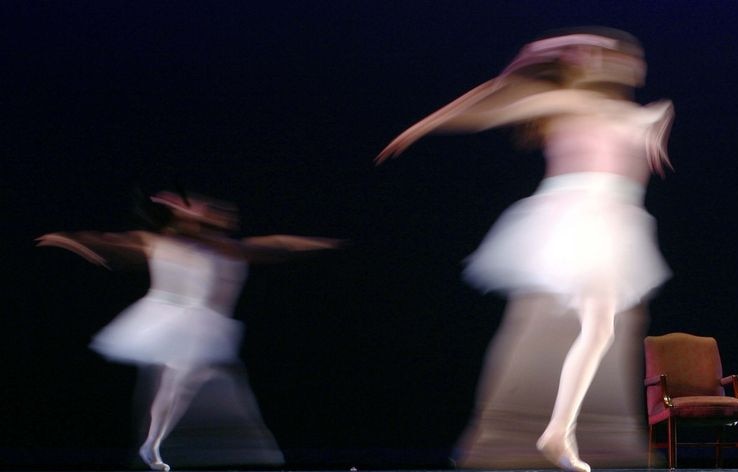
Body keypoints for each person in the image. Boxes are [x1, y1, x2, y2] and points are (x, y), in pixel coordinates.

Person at [377, 27, 673, 472]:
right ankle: (551, 432)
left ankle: (557, 433)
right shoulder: (569, 103)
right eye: (609, 56)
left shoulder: (646, 113)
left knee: (600, 331)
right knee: (590, 328)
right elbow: (490, 106)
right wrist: (424, 126)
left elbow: (651, 130)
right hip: (578, 214)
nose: (623, 62)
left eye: (625, 56)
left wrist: (651, 132)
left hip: (614, 217)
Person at [37, 190, 340, 471]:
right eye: (213, 214)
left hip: (205, 324)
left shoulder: (227, 247)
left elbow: (278, 244)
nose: (223, 219)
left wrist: (322, 243)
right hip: (178, 318)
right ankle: (156, 445)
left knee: (183, 384)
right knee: (180, 382)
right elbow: (109, 241)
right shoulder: (165, 242)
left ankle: (158, 445)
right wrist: (69, 240)